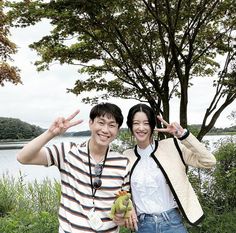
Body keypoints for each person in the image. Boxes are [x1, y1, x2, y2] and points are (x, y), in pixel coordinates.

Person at [17, 103, 130, 233]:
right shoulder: (68, 151)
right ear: (90, 123)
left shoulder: (123, 163)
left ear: (118, 130)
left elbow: (124, 199)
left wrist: (122, 215)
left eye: (112, 125)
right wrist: (50, 133)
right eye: (101, 122)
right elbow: (23, 157)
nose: (105, 130)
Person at [122, 103, 216, 233]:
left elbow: (209, 161)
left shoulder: (172, 146)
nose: (141, 128)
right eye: (136, 123)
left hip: (172, 223)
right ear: (130, 126)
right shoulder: (126, 156)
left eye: (146, 123)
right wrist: (128, 206)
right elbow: (122, 189)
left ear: (152, 125)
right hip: (143, 226)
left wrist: (182, 135)